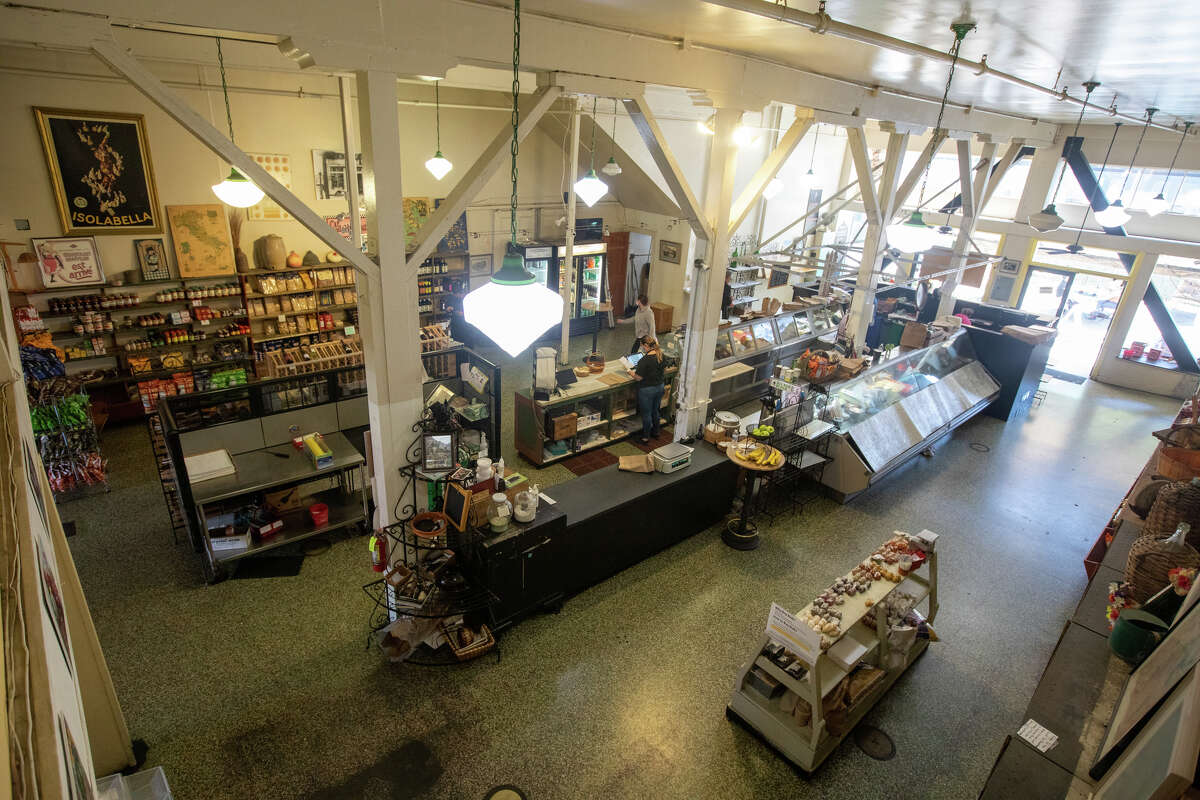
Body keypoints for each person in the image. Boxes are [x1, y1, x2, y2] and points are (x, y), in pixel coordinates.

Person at [628, 336, 665, 443]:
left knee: (646, 414)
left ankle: (645, 437)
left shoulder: (644, 360)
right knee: (655, 410)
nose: (642, 348)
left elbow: (639, 377)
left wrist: (630, 372)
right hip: (659, 387)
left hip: (647, 390)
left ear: (645, 345)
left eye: (642, 346)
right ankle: (656, 432)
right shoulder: (661, 355)